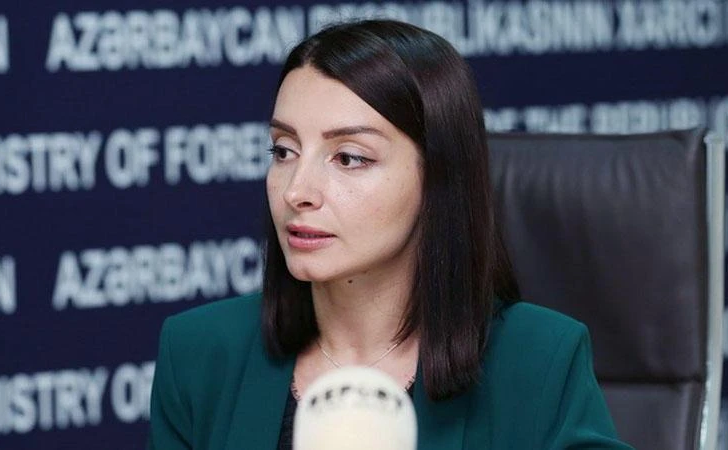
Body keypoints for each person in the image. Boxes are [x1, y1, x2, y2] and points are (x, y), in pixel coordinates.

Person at [148, 19, 632, 450]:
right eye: (283, 151)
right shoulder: (199, 351)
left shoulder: (540, 357)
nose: (298, 191)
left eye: (349, 157)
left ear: (437, 177)